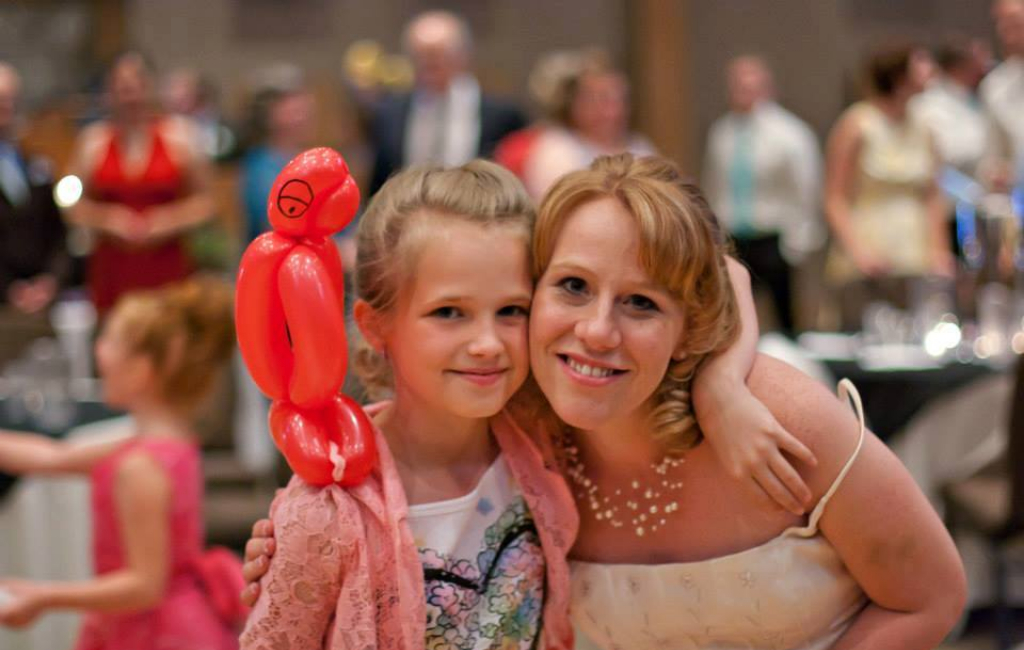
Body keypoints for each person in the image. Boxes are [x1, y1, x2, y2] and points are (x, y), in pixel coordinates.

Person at [238, 158, 820, 649]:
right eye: (449, 313)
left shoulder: (542, 437)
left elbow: (723, 272)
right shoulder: (328, 513)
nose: (488, 343)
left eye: (512, 310)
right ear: (375, 325)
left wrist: (720, 390)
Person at [0, 277, 245, 650]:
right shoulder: (163, 442)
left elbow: (145, 585)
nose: (99, 350)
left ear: (142, 370)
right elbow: (51, 457)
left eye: (110, 340)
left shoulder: (139, 466)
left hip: (155, 634)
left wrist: (42, 596)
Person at [65, 51, 215, 314]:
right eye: (122, 88)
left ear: (150, 88)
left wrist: (168, 220)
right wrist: (107, 219)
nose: (130, 97)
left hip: (167, 269)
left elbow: (208, 202)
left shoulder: (181, 137)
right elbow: (69, 202)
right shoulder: (92, 142)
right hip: (112, 271)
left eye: (136, 86)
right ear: (109, 92)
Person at [824, 42, 953, 328]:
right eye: (921, 62)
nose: (929, 69)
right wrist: (858, 251)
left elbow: (933, 194)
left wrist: (939, 250)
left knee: (920, 331)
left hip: (914, 247)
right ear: (898, 73)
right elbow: (834, 197)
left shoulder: (925, 127)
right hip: (868, 243)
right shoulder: (858, 124)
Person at [702, 55, 823, 334]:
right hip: (735, 236)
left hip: (774, 237)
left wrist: (798, 240)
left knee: (785, 318)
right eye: (738, 86)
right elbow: (715, 184)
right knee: (732, 315)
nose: (744, 94)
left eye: (751, 86)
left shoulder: (789, 133)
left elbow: (805, 188)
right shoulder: (723, 132)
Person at [368, 11, 527, 194]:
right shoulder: (389, 113)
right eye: (420, 55)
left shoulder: (502, 115)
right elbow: (379, 183)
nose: (428, 63)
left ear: (462, 55)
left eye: (437, 54)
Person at [0, 61, 72, 363]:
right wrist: (8, 289)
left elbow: (58, 236)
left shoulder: (36, 166)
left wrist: (50, 281)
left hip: (40, 311)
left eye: (10, 100)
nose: (6, 108)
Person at [522, 49, 655, 201]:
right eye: (602, 100)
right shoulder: (557, 151)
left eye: (621, 100)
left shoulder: (640, 144)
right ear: (574, 104)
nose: (614, 111)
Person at [911, 38, 991, 179]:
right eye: (977, 64)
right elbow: (948, 151)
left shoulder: (979, 95)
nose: (985, 68)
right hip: (954, 186)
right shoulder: (929, 103)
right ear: (959, 67)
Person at [981, 0, 1024, 189]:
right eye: (1000, 21)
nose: (1004, 29)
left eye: (1013, 19)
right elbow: (994, 157)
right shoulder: (995, 85)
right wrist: (997, 172)